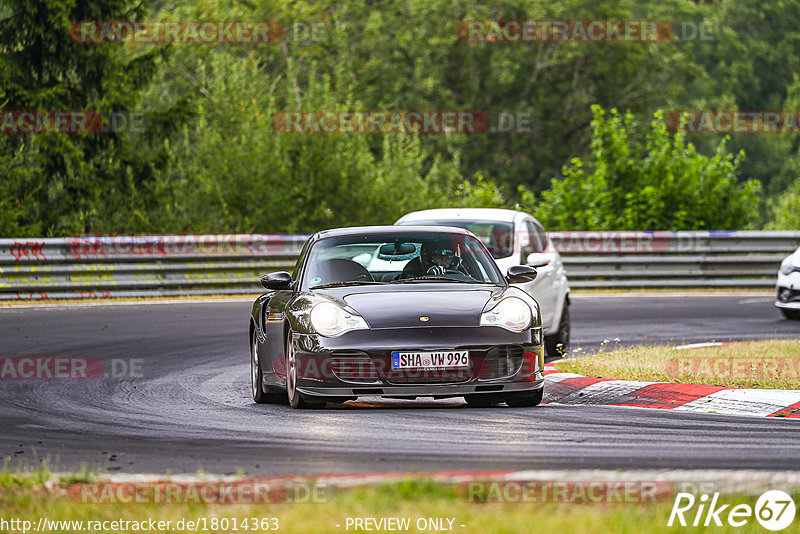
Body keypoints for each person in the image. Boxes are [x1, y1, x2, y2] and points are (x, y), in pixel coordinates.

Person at [400, 241, 467, 278]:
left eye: (448, 258)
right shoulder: (411, 270)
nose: (443, 263)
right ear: (428, 257)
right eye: (439, 258)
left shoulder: (461, 271)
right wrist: (428, 278)